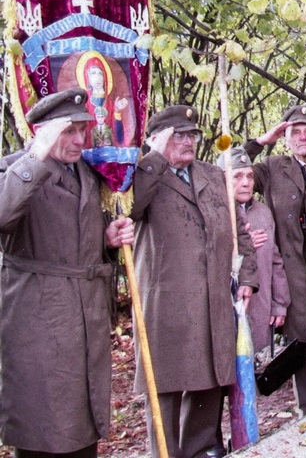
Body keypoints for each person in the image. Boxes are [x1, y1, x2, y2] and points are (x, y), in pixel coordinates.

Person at [0, 88, 134, 458]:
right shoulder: (16, 167)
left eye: (83, 130)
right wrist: (37, 154)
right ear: (42, 131)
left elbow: (72, 238)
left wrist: (106, 240)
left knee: (81, 425)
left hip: (84, 316)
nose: (79, 140)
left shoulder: (87, 175)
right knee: (43, 427)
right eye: (68, 131)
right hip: (37, 317)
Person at [130, 105, 258, 457]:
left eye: (191, 136)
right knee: (165, 390)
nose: (187, 143)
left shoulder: (212, 175)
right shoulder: (142, 174)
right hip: (166, 305)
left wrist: (247, 277)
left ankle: (200, 451)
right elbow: (130, 208)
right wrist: (155, 157)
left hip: (214, 299)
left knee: (210, 381)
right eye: (178, 136)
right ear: (156, 140)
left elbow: (239, 231)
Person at [244, 106, 306, 415]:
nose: (302, 137)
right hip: (290, 272)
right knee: (298, 343)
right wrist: (262, 141)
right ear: (286, 139)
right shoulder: (273, 166)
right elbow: (230, 172)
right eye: (294, 132)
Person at [217, 147, 290, 352]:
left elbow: (275, 260)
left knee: (257, 369)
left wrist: (279, 304)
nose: (246, 182)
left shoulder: (263, 212)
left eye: (249, 176)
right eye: (237, 176)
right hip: (225, 307)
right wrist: (239, 244)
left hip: (260, 306)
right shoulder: (215, 213)